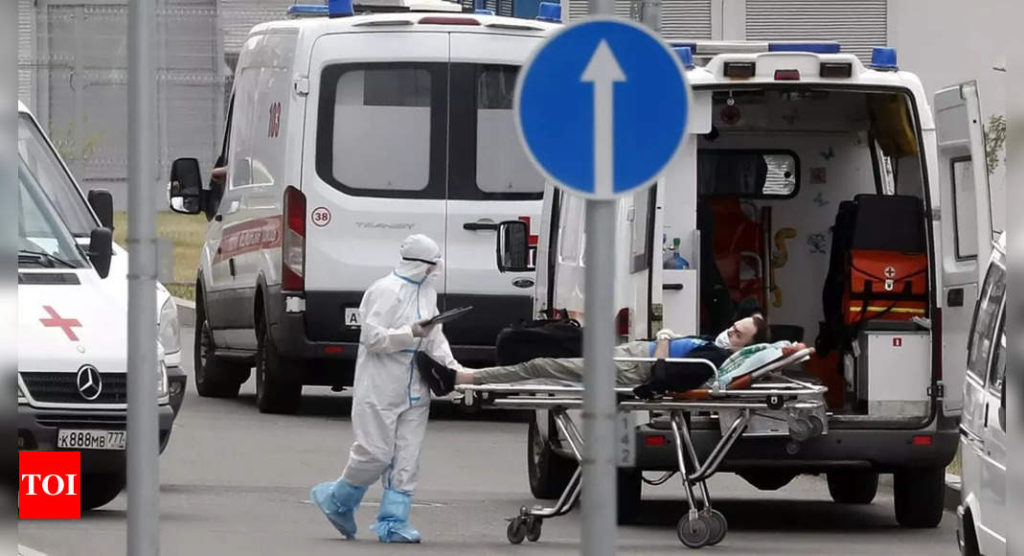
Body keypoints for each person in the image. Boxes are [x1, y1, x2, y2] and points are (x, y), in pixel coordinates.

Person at [310, 234, 460, 543]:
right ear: (419, 264)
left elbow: (435, 338)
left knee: (407, 457)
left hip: (416, 387)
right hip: (381, 386)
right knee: (375, 454)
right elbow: (373, 339)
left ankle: (394, 521)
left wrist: (454, 371)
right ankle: (337, 499)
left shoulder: (427, 292)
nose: (435, 271)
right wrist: (410, 333)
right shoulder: (384, 291)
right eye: (432, 266)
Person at [416, 315, 770, 397]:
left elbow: (663, 377)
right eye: (733, 326)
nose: (730, 331)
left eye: (737, 334)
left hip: (632, 367)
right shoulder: (712, 344)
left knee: (541, 367)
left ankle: (458, 378)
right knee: (562, 340)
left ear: (741, 347)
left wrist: (663, 341)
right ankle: (464, 375)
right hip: (630, 353)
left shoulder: (715, 357)